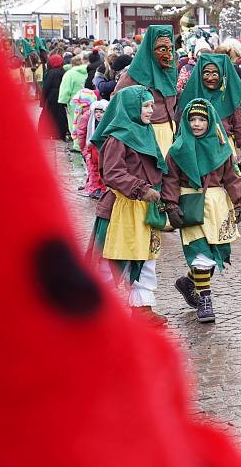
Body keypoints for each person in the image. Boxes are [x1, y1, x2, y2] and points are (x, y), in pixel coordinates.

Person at [87, 85, 169, 320]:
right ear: (132, 107)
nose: (151, 110)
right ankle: (100, 309)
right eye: (146, 105)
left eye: (152, 105)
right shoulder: (117, 138)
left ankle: (142, 308)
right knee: (111, 259)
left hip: (145, 208)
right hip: (121, 207)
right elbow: (112, 173)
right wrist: (141, 189)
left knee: (146, 256)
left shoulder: (147, 131)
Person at [162, 99, 241, 323]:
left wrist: (240, 201)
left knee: (215, 253)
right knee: (199, 253)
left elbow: (232, 176)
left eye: (201, 119)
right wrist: (170, 204)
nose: (197, 124)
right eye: (192, 119)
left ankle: (188, 282)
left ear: (210, 122)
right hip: (190, 203)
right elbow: (169, 179)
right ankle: (205, 300)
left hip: (218, 206)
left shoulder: (221, 148)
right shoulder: (177, 150)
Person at [113, 25, 179, 157]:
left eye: (170, 49)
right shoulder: (134, 74)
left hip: (169, 132)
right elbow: (117, 101)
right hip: (144, 136)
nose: (169, 55)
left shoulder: (169, 72)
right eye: (162, 49)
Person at [177, 53, 241, 162]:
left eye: (215, 74)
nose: (210, 78)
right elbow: (180, 121)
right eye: (206, 73)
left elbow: (238, 122)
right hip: (197, 146)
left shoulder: (228, 97)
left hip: (223, 146)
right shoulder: (191, 95)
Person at [59, 55, 89, 140]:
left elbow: (65, 89)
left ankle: (77, 143)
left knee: (74, 121)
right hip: (88, 99)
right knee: (85, 122)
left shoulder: (70, 74)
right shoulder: (87, 71)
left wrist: (63, 101)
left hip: (74, 102)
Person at [38, 53, 68, 140]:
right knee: (61, 115)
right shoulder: (64, 72)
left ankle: (46, 132)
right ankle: (60, 133)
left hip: (52, 95)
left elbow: (46, 86)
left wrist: (43, 99)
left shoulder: (50, 73)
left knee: (49, 115)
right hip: (61, 94)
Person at [83, 99, 108, 198]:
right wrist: (88, 151)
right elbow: (90, 138)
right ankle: (95, 188)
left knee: (103, 173)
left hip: (102, 153)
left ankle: (103, 189)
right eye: (96, 112)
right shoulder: (93, 125)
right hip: (94, 154)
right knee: (94, 172)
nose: (98, 114)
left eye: (101, 112)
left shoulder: (106, 126)